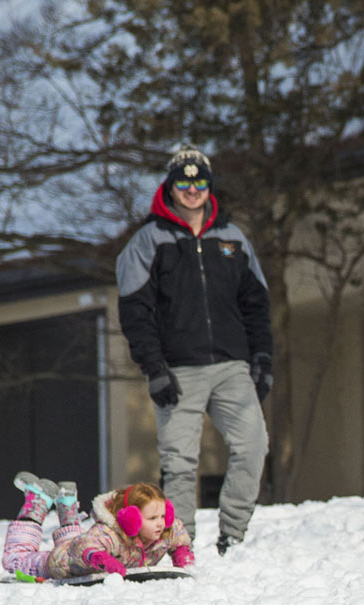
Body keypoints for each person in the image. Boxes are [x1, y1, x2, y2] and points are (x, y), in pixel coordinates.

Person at [116, 145, 272, 556]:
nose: (192, 189)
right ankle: (180, 544)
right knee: (180, 463)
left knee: (253, 445)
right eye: (183, 182)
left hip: (231, 366)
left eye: (199, 181)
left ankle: (232, 535)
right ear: (170, 187)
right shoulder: (149, 241)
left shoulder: (232, 238)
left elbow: (256, 304)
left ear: (209, 186)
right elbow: (135, 311)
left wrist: (262, 360)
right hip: (177, 369)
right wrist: (155, 368)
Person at [1, 472, 194, 580]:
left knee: (71, 543)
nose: (160, 522)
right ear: (131, 519)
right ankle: (36, 501)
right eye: (152, 518)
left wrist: (182, 552)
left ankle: (67, 503)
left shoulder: (165, 530)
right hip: (60, 564)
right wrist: (98, 557)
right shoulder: (110, 533)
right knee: (14, 559)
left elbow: (178, 532)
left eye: (162, 516)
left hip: (75, 557)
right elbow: (82, 546)